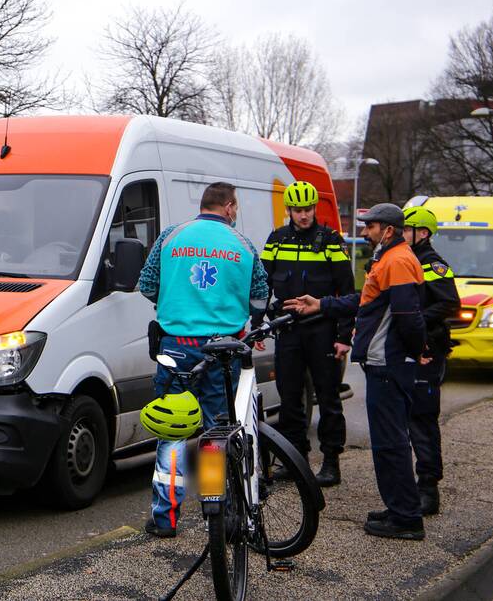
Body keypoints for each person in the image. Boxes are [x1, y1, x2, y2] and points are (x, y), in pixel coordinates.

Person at [284, 203, 427, 541]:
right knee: (387, 442)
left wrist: (414, 351)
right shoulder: (390, 259)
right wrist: (321, 304)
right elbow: (365, 301)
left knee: (391, 442)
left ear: (387, 230)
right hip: (385, 363)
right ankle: (398, 508)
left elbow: (408, 317)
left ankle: (406, 518)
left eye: (370, 226)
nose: (363, 231)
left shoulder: (397, 261)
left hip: (388, 365)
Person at [137, 181, 268, 538]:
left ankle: (165, 519)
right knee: (217, 433)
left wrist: (181, 299)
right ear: (228, 207)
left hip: (175, 348)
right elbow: (260, 298)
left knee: (174, 431)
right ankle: (221, 514)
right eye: (235, 207)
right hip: (222, 350)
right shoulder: (243, 245)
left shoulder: (171, 236)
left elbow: (147, 285)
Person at [260, 181, 355, 487]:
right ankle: (294, 458)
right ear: (288, 210)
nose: (304, 216)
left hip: (322, 330)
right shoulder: (276, 239)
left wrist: (344, 336)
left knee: (327, 397)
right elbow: (261, 286)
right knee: (290, 398)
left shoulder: (329, 240)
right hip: (287, 330)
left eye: (308, 210)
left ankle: (331, 461)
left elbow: (347, 292)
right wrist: (258, 320)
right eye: (298, 210)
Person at [401, 205, 460, 515]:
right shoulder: (408, 259)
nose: (401, 234)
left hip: (429, 348)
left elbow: (450, 302)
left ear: (421, 233)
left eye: (406, 230)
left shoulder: (434, 264)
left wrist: (418, 320)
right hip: (410, 349)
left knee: (423, 419)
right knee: (407, 420)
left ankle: (429, 489)